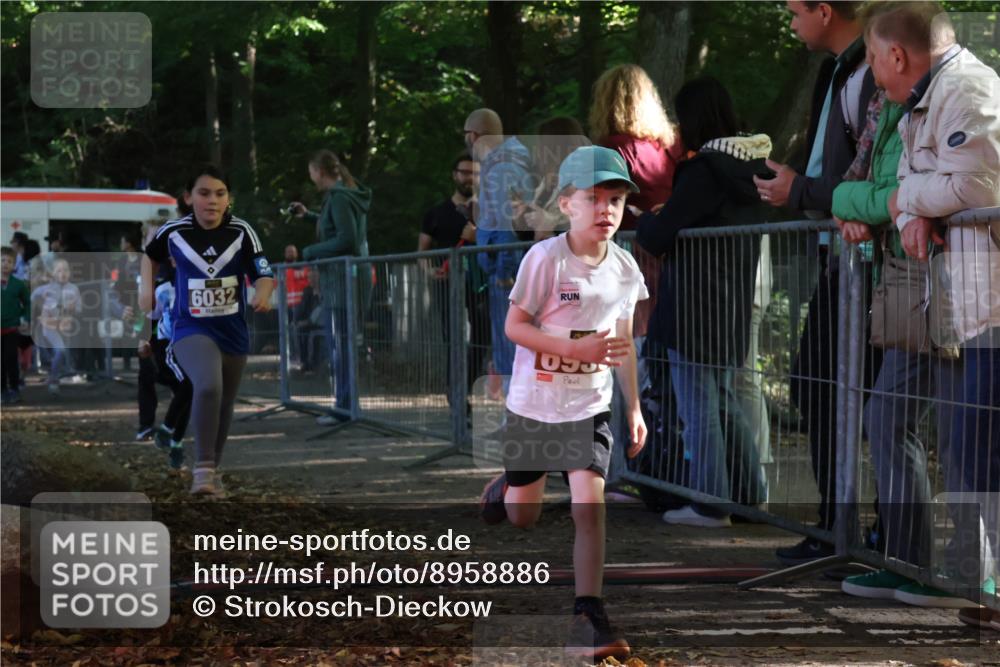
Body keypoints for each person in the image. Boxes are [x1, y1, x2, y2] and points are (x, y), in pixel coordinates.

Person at [848, 1, 1000, 626]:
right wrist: (912, 209)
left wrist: (905, 201)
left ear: (897, 55)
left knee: (978, 449)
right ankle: (973, 578)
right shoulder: (921, 101)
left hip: (988, 301)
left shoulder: (967, 91)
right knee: (968, 446)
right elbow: (920, 181)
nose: (873, 74)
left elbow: (977, 186)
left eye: (874, 59)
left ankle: (980, 578)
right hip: (964, 300)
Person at [479, 146, 648, 660]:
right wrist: (575, 348)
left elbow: (622, 345)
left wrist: (634, 407)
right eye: (594, 199)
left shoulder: (623, 267)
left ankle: (588, 614)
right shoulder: (545, 259)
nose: (606, 210)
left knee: (589, 509)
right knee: (523, 517)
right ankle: (507, 484)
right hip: (535, 406)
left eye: (615, 200)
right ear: (566, 203)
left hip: (588, 407)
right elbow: (514, 326)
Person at [755, 0, 879, 565]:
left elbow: (872, 175)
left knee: (866, 401)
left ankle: (861, 535)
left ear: (825, 11)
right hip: (843, 260)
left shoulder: (871, 70)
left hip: (871, 264)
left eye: (793, 11)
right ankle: (840, 527)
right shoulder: (843, 70)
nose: (789, 22)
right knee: (818, 385)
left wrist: (798, 192)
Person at [635, 77, 770, 527]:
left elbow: (658, 236)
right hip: (729, 304)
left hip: (691, 306)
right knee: (724, 401)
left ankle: (710, 504)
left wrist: (650, 220)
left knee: (699, 409)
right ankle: (750, 495)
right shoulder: (753, 172)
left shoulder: (703, 171)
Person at [141, 165, 274, 496]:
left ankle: (213, 470)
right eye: (203, 193)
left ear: (228, 199)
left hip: (232, 330)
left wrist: (263, 292)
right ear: (188, 198)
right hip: (191, 326)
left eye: (220, 193)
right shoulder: (173, 231)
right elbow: (148, 257)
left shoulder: (242, 231)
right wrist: (145, 289)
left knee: (225, 400)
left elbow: (263, 270)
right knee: (208, 385)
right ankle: (201, 470)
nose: (212, 201)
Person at [589, 64, 682, 344]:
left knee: (632, 338)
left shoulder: (612, 148)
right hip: (672, 251)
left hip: (631, 255)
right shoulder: (669, 147)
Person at [289, 150, 371, 422]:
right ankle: (345, 404)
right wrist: (310, 216)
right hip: (345, 279)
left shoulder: (339, 198)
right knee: (342, 343)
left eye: (311, 173)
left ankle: (344, 408)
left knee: (341, 345)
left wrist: (311, 251)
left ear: (319, 172)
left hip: (341, 281)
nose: (311, 178)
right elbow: (339, 228)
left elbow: (346, 239)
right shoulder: (345, 195)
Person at [463, 109, 535, 397]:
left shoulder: (503, 167)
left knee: (512, 349)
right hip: (505, 269)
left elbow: (508, 226)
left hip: (506, 273)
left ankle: (517, 419)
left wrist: (504, 274)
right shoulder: (505, 164)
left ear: (475, 135)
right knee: (510, 349)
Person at [417, 152, 490, 421]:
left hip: (479, 285)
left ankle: (461, 386)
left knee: (483, 339)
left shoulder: (488, 211)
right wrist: (430, 270)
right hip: (446, 286)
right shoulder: (435, 213)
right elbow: (422, 252)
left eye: (474, 173)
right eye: (464, 172)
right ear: (454, 175)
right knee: (454, 341)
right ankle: (458, 399)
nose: (469, 178)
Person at [31, 258, 81, 395]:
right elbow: (32, 297)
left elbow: (80, 308)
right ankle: (53, 380)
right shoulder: (47, 288)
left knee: (61, 353)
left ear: (70, 273)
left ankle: (55, 375)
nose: (62, 273)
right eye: (58, 270)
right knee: (60, 351)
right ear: (53, 273)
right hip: (49, 326)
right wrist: (41, 301)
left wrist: (74, 307)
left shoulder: (74, 288)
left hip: (66, 327)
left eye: (65, 270)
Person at [1, 247, 30, 404]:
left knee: (11, 358)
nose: (5, 264)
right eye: (2, 260)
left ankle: (14, 388)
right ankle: (2, 390)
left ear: (14, 266)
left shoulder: (19, 285)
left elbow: (27, 303)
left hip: (12, 328)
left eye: (9, 261)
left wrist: (25, 318)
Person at [283, 244, 310, 366]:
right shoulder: (282, 269)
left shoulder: (302, 268)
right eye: (288, 252)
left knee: (297, 332)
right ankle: (293, 356)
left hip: (300, 304)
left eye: (292, 252)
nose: (290, 254)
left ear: (296, 254)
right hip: (287, 305)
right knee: (289, 332)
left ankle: (299, 357)